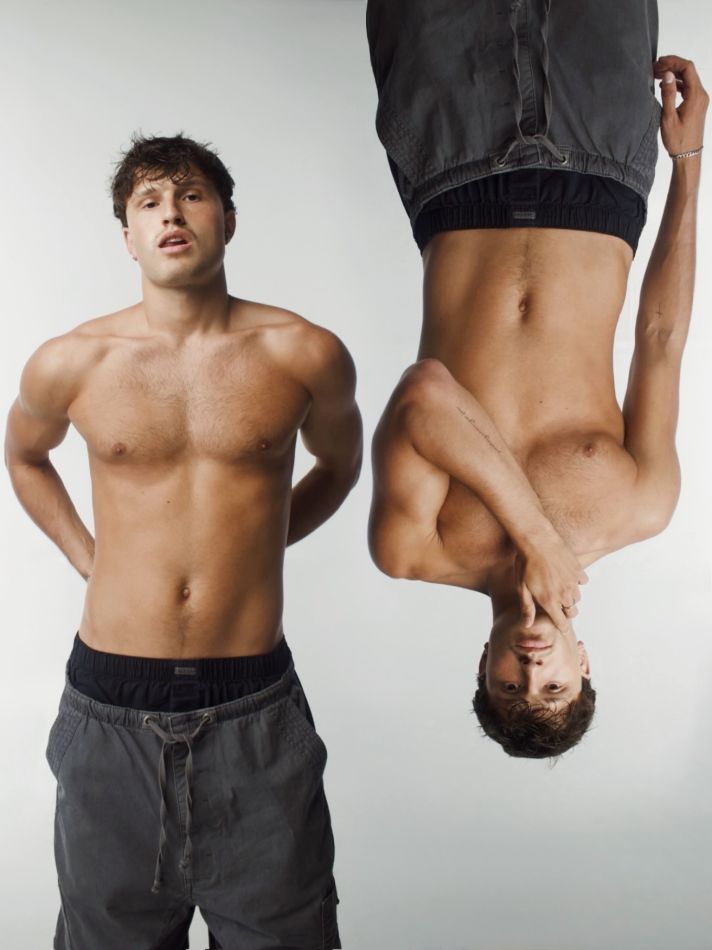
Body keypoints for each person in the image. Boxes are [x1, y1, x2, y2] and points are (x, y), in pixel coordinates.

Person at [5, 133, 362, 949]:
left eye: (192, 195)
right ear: (127, 236)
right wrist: (91, 559)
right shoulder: (71, 361)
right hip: (109, 707)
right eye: (150, 201)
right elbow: (23, 456)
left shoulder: (304, 352)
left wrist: (257, 546)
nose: (172, 212)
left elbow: (340, 466)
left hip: (253, 705)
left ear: (228, 221)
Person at [366, 0, 707, 757]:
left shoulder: (414, 547)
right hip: (603, 173)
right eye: (553, 688)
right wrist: (687, 165)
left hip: (456, 173)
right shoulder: (641, 508)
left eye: (508, 687)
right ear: (584, 666)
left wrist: (539, 541)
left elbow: (427, 391)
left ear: (481, 668)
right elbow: (661, 340)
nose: (530, 670)